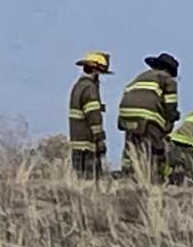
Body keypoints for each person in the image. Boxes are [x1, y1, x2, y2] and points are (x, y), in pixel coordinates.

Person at [118, 53, 180, 181]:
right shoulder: (167, 79)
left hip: (126, 114)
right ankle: (153, 176)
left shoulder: (140, 77)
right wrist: (173, 118)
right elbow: (170, 106)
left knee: (132, 145)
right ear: (169, 70)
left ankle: (128, 174)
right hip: (147, 114)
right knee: (155, 147)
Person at [68, 51, 112, 179]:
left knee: (79, 181)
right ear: (96, 71)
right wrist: (99, 139)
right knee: (90, 181)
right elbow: (93, 117)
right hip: (88, 145)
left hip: (77, 143)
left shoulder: (78, 86)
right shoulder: (89, 88)